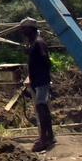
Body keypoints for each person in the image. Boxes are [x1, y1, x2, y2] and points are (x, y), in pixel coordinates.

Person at [20, 17, 55, 152]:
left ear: (30, 29)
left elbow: (46, 61)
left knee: (42, 107)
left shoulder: (39, 43)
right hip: (38, 80)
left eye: (24, 29)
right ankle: (47, 136)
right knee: (42, 108)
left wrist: (40, 76)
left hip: (41, 81)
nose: (23, 32)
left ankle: (46, 138)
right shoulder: (34, 42)